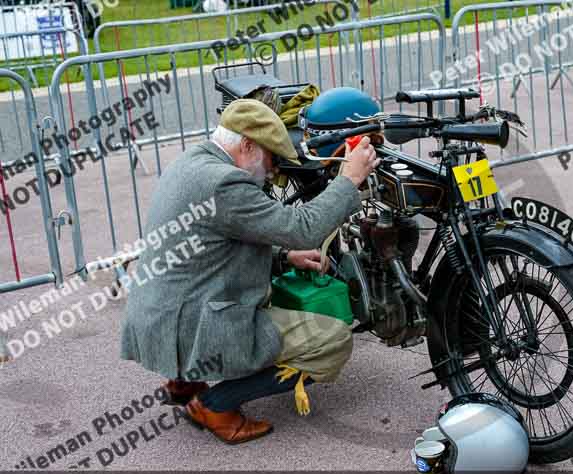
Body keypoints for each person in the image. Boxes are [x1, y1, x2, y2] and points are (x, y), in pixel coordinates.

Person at [120, 99, 380, 444]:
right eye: (271, 158)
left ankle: (183, 379)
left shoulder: (193, 161)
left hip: (159, 316)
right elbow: (302, 228)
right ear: (246, 145)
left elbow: (214, 246)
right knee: (332, 341)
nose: (273, 171)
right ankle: (214, 405)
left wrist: (284, 257)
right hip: (190, 322)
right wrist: (349, 180)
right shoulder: (226, 183)